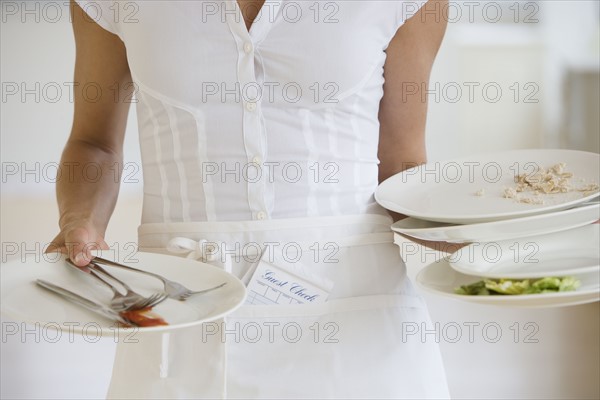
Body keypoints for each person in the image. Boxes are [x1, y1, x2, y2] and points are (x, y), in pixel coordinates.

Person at [49, 0, 450, 397]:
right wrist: (79, 221)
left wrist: (461, 229)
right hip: (179, 308)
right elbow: (93, 143)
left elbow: (402, 163)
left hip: (360, 316)